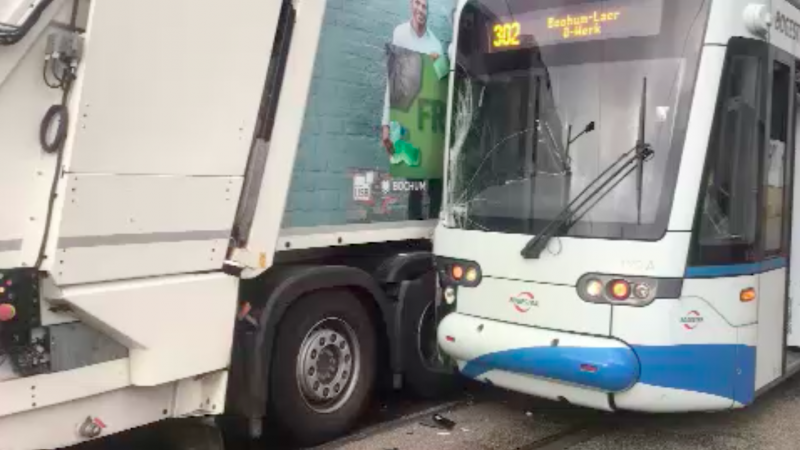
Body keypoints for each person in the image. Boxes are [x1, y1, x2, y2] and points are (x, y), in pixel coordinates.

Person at [381, 0, 445, 220]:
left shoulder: (436, 44)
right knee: (414, 185)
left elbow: (442, 82)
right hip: (408, 120)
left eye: (425, 6)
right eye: (418, 3)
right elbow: (393, 82)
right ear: (411, 5)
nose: (421, 9)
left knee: (436, 182)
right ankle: (413, 231)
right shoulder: (400, 34)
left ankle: (436, 228)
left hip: (428, 122)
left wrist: (440, 64)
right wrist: (386, 124)